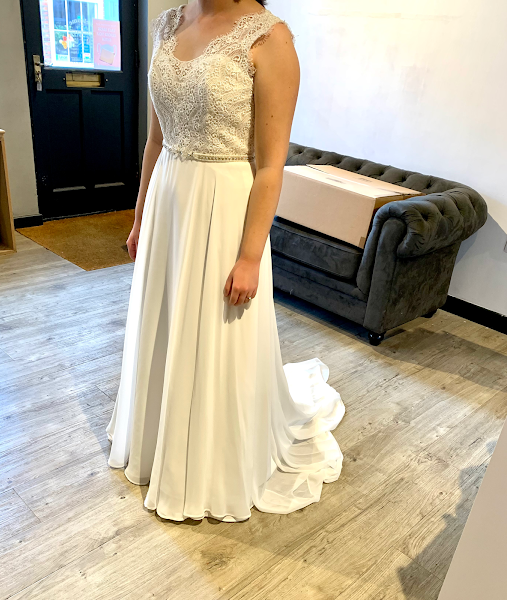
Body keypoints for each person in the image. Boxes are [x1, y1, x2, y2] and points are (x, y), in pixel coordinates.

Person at [106, 0, 346, 523]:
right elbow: (154, 140)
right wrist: (140, 216)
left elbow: (271, 166)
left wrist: (250, 256)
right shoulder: (168, 23)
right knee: (165, 324)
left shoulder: (270, 38)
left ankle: (211, 464)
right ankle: (158, 440)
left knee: (213, 332)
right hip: (169, 199)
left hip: (225, 208)